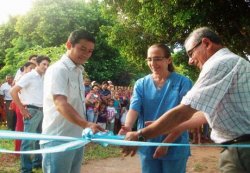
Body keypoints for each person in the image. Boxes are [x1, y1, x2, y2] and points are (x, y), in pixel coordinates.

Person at [123, 27, 250, 173]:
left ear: (206, 43)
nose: (190, 61)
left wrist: (141, 135)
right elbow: (203, 113)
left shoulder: (220, 64)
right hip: (238, 147)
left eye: (191, 53)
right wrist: (173, 127)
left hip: (241, 149)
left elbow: (183, 112)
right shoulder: (232, 62)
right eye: (150, 59)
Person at [120, 43, 192, 173]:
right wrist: (128, 127)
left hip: (175, 143)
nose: (153, 63)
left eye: (158, 58)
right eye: (149, 59)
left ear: (168, 60)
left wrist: (166, 143)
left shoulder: (183, 82)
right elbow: (134, 108)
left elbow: (185, 115)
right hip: (146, 142)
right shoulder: (141, 84)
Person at [40, 29, 104, 173]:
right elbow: (60, 103)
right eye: (82, 49)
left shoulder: (78, 71)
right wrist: (86, 124)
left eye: (90, 51)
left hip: (77, 138)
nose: (86, 54)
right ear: (69, 45)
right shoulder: (58, 70)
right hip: (58, 139)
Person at [10, 55, 51, 173]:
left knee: (40, 139)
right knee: (28, 142)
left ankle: (37, 164)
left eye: (47, 65)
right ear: (37, 64)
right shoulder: (29, 76)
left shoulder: (44, 77)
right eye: (44, 64)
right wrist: (22, 109)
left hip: (43, 110)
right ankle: (26, 169)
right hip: (31, 111)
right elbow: (13, 91)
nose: (46, 67)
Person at [12, 62, 36, 155]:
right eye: (31, 68)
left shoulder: (32, 77)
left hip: (27, 105)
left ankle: (25, 151)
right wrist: (22, 107)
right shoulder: (22, 78)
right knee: (22, 127)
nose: (33, 70)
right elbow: (15, 92)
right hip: (23, 105)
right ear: (25, 68)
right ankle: (20, 151)